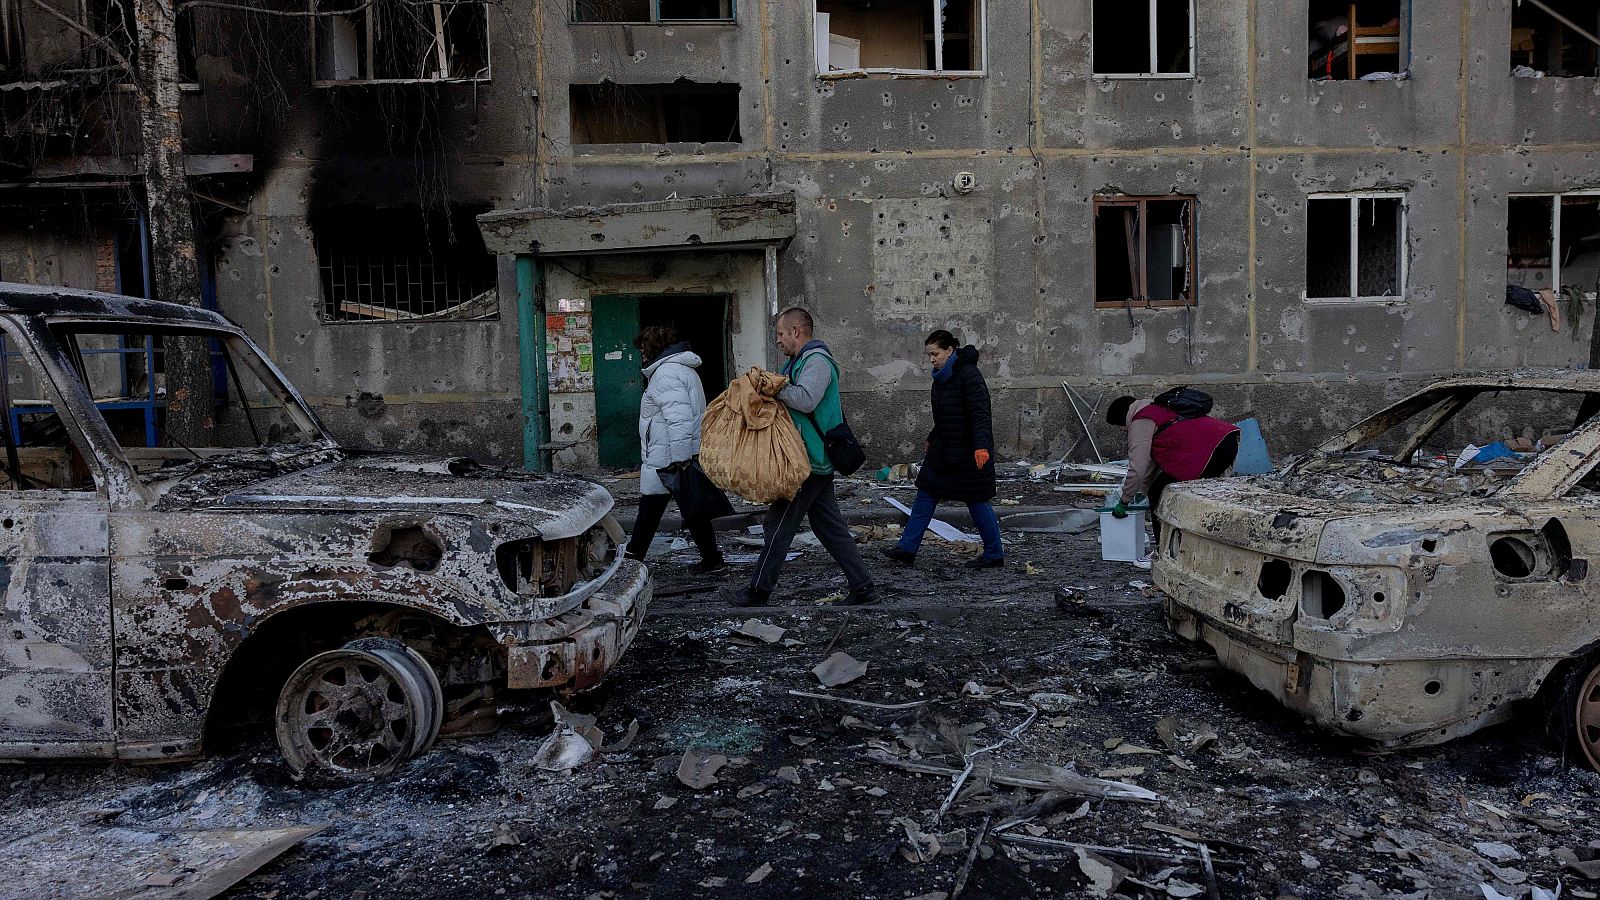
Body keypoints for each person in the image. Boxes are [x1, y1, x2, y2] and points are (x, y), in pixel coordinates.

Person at [730, 308, 878, 607]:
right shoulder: (797, 362)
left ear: (796, 331)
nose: (778, 340)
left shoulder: (818, 361)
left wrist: (775, 388)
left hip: (808, 461)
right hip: (809, 459)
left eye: (781, 334)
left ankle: (758, 591)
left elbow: (806, 400)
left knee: (778, 525)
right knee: (829, 527)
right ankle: (863, 587)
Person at [882, 330, 1004, 568]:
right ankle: (907, 548)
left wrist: (981, 447)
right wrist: (932, 437)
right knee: (925, 494)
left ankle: (994, 554)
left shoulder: (969, 376)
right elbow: (945, 415)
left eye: (935, 354)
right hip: (944, 450)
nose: (931, 359)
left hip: (968, 453)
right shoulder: (941, 377)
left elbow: (980, 415)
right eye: (928, 354)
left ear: (950, 350)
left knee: (977, 501)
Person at [623, 324, 726, 574]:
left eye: (643, 349)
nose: (641, 355)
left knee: (651, 511)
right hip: (672, 454)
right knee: (691, 512)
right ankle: (712, 560)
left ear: (652, 348)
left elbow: (679, 420)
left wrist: (681, 459)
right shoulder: (681, 370)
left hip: (667, 457)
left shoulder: (666, 374)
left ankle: (631, 561)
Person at [1106, 393, 1241, 544]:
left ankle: (1163, 547)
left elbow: (1137, 467)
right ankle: (1195, 540)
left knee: (1159, 492)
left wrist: (1124, 501)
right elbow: (1153, 462)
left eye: (1119, 427)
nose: (1122, 430)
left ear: (1122, 418)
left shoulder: (1140, 421)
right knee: (1190, 491)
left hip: (1210, 450)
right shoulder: (1155, 407)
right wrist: (1141, 491)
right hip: (1226, 440)